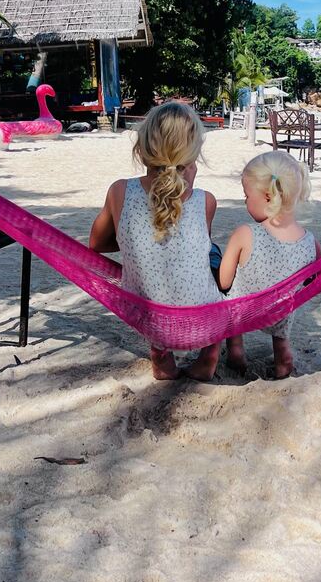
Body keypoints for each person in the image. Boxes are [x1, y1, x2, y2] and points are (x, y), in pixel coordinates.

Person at [89, 101, 222, 381]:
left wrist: (134, 245)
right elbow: (193, 253)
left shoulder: (119, 191)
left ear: (142, 148)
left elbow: (97, 245)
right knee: (216, 258)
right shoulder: (205, 200)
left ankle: (161, 356)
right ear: (192, 155)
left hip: (148, 319)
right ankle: (209, 354)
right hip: (200, 322)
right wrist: (190, 184)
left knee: (156, 273)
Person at [218, 151, 321, 379]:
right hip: (280, 313)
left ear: (267, 196)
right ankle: (282, 354)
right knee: (285, 316)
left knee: (228, 295)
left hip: (243, 310)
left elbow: (224, 282)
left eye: (246, 195)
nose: (245, 201)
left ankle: (235, 348)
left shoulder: (245, 233)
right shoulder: (310, 241)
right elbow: (318, 278)